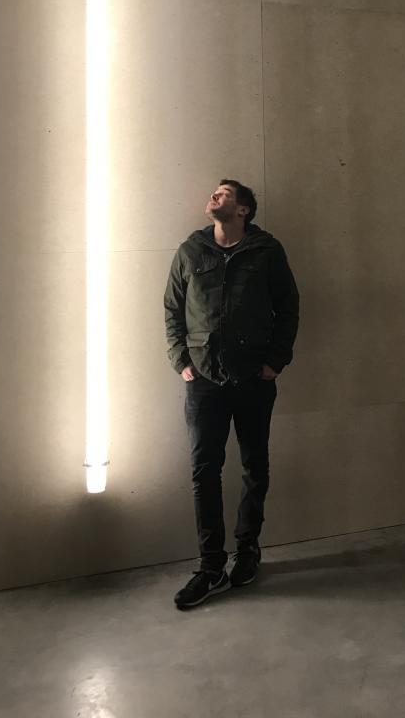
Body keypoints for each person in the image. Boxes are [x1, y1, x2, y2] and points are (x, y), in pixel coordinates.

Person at [164, 179, 299, 609]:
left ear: (243, 210)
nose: (214, 196)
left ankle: (247, 550)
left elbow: (288, 307)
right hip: (203, 380)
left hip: (253, 378)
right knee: (204, 471)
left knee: (254, 465)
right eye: (214, 192)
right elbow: (172, 308)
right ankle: (211, 566)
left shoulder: (266, 251)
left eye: (224, 193)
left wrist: (275, 360)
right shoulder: (191, 251)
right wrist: (180, 359)